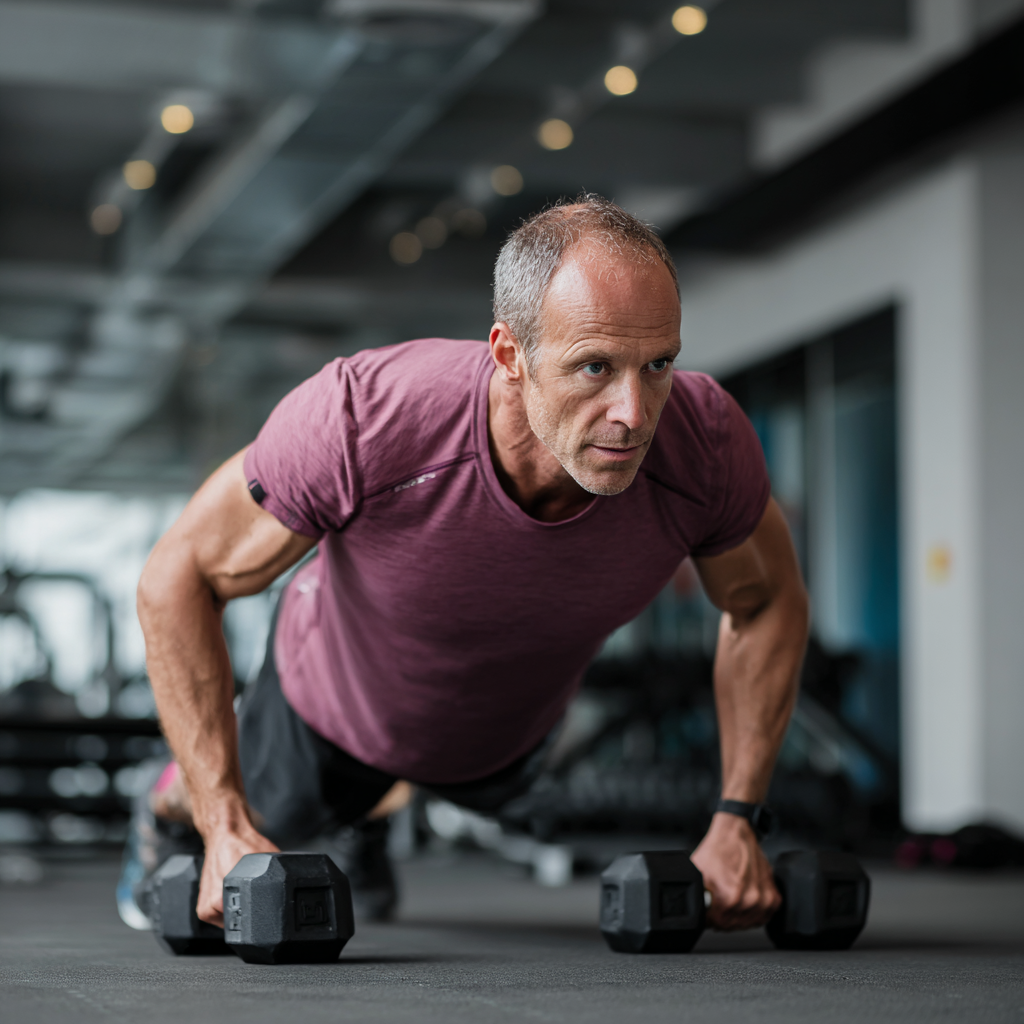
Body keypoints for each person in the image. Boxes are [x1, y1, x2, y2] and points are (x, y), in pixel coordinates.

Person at [120, 196, 808, 932]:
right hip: (334, 710)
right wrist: (222, 822)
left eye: (659, 363)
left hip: (508, 740)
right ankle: (165, 800)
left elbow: (767, 599)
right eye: (594, 367)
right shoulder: (365, 419)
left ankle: (379, 809)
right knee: (274, 812)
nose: (634, 413)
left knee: (570, 824)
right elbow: (176, 577)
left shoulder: (701, 447)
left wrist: (739, 815)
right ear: (511, 355)